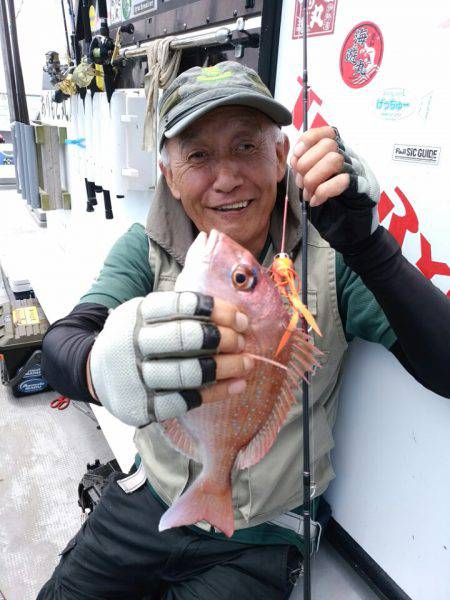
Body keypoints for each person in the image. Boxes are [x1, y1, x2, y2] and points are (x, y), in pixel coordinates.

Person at [37, 61, 450, 599]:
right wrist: (97, 368)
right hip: (149, 497)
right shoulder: (144, 248)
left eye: (247, 147)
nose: (226, 178)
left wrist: (372, 248)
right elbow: (59, 347)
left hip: (262, 535)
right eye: (199, 155)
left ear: (281, 157)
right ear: (169, 173)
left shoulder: (333, 255)